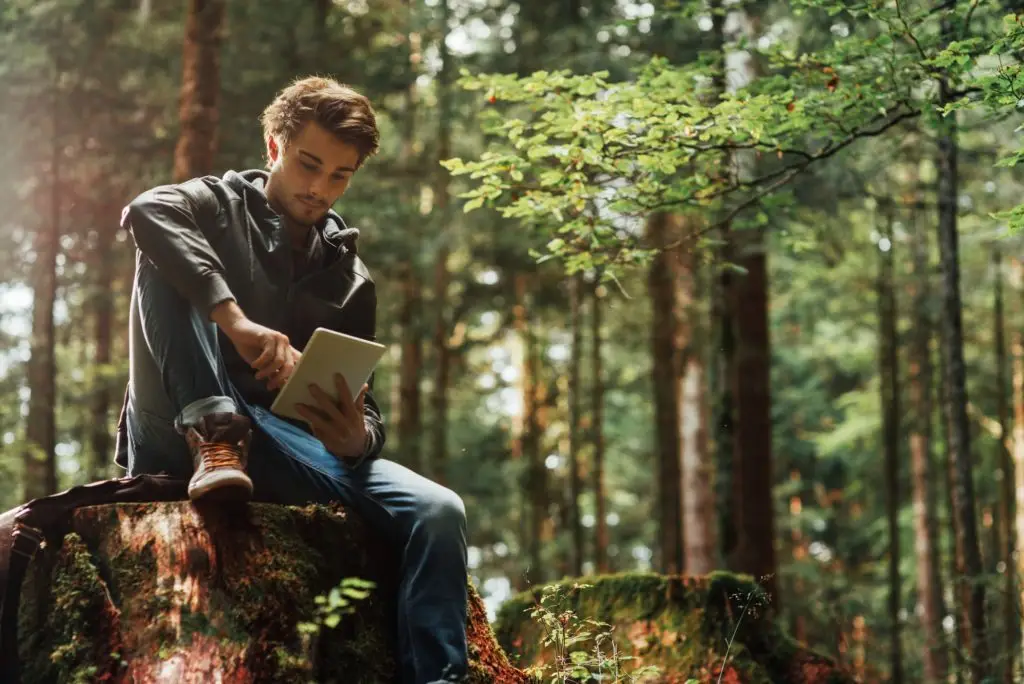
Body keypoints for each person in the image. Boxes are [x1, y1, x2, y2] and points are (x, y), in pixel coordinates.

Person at [111, 76, 468, 684]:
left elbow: (367, 409)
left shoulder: (350, 278)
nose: (320, 188)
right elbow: (146, 211)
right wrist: (236, 320)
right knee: (164, 252)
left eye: (340, 175)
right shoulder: (216, 204)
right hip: (175, 427)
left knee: (439, 510)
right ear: (274, 147)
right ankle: (215, 430)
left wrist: (356, 438)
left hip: (280, 447)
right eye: (309, 165)